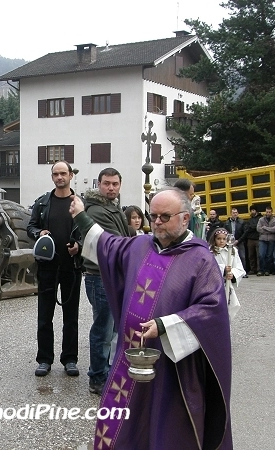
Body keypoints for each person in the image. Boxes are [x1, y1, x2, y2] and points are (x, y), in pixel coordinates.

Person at [70, 188, 232, 449]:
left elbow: (211, 310)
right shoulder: (140, 246)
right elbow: (106, 245)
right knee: (124, 426)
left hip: (173, 369)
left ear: (185, 218)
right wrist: (81, 216)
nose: (156, 222)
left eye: (164, 216)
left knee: (165, 428)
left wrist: (164, 325)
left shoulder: (200, 259)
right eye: (152, 216)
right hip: (129, 358)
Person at [27, 161, 82, 377]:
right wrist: (38, 233)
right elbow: (30, 227)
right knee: (44, 317)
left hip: (72, 267)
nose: (59, 177)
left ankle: (70, 359)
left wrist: (79, 246)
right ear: (52, 177)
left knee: (71, 318)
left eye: (63, 173)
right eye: (56, 174)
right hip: (47, 268)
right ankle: (44, 360)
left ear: (71, 175)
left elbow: (89, 231)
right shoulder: (42, 203)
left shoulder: (80, 204)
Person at [81, 168, 131, 395]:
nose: (111, 188)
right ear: (99, 184)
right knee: (103, 330)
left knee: (111, 330)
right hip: (99, 276)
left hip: (111, 275)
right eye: (106, 183)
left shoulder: (113, 207)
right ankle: (97, 377)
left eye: (115, 184)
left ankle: (106, 371)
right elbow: (117, 242)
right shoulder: (97, 210)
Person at [208, 227, 244, 320]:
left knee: (228, 307)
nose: (221, 241)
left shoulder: (232, 251)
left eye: (224, 239)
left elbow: (239, 268)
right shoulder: (210, 251)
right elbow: (208, 268)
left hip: (227, 284)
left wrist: (232, 274)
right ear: (214, 239)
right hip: (214, 286)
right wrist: (223, 269)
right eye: (219, 239)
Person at [224, 207, 247, 276]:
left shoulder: (242, 222)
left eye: (236, 213)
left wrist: (238, 240)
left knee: (242, 257)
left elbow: (245, 233)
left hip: (239, 241)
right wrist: (228, 241)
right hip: (229, 243)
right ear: (231, 214)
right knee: (231, 257)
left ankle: (243, 272)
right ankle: (233, 272)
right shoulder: (227, 223)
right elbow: (225, 233)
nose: (235, 214)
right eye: (233, 213)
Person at [257, 206, 275, 276]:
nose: (268, 213)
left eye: (269, 212)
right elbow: (258, 229)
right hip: (262, 239)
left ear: (272, 212)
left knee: (269, 256)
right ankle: (261, 270)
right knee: (261, 255)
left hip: (271, 240)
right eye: (267, 212)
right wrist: (270, 230)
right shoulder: (261, 219)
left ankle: (267, 270)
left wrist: (265, 228)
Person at [243, 205, 261, 275]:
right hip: (250, 239)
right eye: (251, 210)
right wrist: (253, 227)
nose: (252, 211)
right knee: (251, 256)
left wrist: (252, 227)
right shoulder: (249, 220)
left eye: (253, 210)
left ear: (256, 211)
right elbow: (247, 229)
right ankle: (252, 269)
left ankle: (259, 269)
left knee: (258, 255)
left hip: (258, 239)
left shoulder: (260, 218)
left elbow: (258, 228)